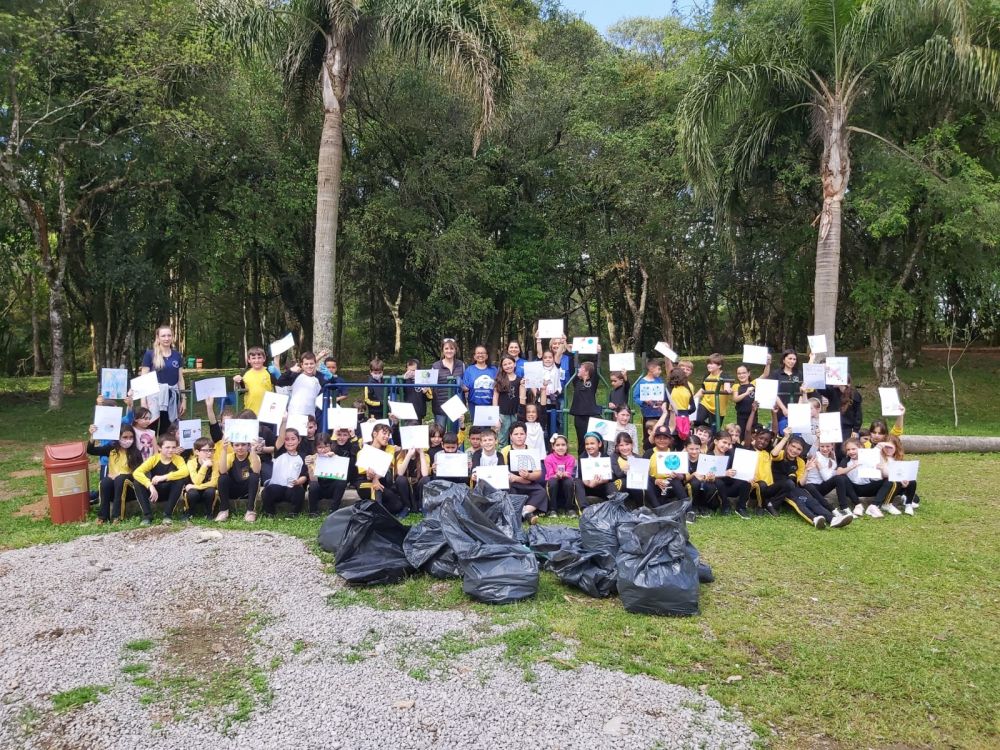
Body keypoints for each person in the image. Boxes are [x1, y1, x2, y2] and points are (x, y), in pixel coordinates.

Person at [86, 424, 143, 524]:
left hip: (130, 489)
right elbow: (91, 450)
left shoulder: (136, 453)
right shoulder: (111, 449)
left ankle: (117, 517)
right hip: (114, 488)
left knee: (121, 479)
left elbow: (138, 475)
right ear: (118, 438)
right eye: (125, 437)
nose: (128, 440)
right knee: (105, 482)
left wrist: (121, 475)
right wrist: (93, 435)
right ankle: (103, 517)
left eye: (131, 437)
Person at [140, 324, 187, 436]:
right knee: (151, 427)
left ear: (172, 337)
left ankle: (166, 451)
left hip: (171, 396)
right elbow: (143, 378)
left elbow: (180, 379)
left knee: (169, 428)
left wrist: (183, 399)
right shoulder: (150, 354)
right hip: (154, 397)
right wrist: (143, 401)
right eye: (163, 336)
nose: (166, 338)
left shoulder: (177, 355)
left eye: (169, 335)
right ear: (158, 338)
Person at [132, 435, 189, 525]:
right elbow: (136, 473)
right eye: (167, 447)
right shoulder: (154, 459)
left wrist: (164, 477)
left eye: (173, 447)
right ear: (159, 448)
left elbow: (185, 471)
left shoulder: (178, 459)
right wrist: (149, 485)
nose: (171, 450)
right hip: (154, 492)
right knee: (137, 482)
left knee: (179, 480)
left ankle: (167, 515)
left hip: (169, 492)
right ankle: (147, 515)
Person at [500, 422, 549, 517]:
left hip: (529, 483)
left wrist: (528, 476)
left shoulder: (531, 450)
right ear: (510, 436)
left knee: (541, 492)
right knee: (508, 493)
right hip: (512, 484)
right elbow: (503, 472)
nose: (519, 437)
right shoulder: (505, 451)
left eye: (522, 434)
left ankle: (524, 511)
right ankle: (525, 513)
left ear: (526, 435)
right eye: (516, 434)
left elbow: (538, 473)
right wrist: (518, 479)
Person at [306, 430, 357, 516]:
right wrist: (310, 466)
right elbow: (313, 480)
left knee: (342, 482)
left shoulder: (335, 455)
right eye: (320, 447)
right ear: (316, 448)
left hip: (332, 489)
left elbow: (343, 475)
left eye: (326, 446)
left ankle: (334, 510)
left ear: (330, 446)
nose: (323, 450)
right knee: (313, 485)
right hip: (319, 489)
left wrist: (335, 459)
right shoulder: (312, 458)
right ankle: (313, 511)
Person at [261, 428, 309, 517]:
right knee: (267, 491)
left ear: (299, 440)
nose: (290, 442)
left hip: (292, 488)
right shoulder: (279, 452)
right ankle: (269, 513)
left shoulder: (303, 456)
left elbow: (305, 475)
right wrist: (284, 420)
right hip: (277, 487)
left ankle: (294, 513)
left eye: (293, 439)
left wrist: (298, 482)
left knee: (300, 491)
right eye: (287, 439)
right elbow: (280, 438)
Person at [872, 433, 919, 515]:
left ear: (896, 447)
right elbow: (884, 473)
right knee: (894, 481)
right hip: (885, 484)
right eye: (886, 447)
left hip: (898, 483)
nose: (888, 449)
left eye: (891, 447)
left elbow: (902, 473)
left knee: (912, 481)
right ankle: (887, 504)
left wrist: (905, 479)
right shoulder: (880, 457)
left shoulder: (897, 459)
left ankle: (908, 504)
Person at [645, 424, 690, 509]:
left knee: (676, 481)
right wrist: (655, 481)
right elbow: (642, 473)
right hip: (655, 486)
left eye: (665, 438)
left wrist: (677, 475)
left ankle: (688, 509)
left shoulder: (675, 454)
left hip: (670, 486)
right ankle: (657, 509)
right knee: (646, 482)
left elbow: (683, 476)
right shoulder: (648, 453)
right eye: (659, 438)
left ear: (670, 440)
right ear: (654, 439)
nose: (662, 440)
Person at [217, 438, 262, 523]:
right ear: (233, 446)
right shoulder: (230, 457)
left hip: (247, 490)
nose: (240, 448)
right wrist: (224, 450)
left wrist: (253, 450)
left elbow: (256, 471)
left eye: (243, 445)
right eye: (237, 445)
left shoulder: (253, 456)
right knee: (223, 477)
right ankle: (224, 510)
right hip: (233, 490)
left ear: (248, 445)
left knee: (254, 476)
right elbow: (222, 471)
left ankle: (250, 511)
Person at [277, 351, 330, 417]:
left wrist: (332, 377)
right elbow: (279, 382)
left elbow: (332, 387)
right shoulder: (295, 376)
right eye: (306, 364)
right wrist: (290, 370)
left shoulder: (318, 378)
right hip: (294, 414)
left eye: (311, 364)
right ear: (302, 365)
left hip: (311, 416)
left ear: (315, 364)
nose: (309, 366)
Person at [430, 338, 466, 428]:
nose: (449, 351)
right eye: (446, 348)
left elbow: (465, 383)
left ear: (455, 350)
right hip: (440, 405)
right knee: (439, 433)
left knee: (454, 435)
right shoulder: (435, 366)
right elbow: (429, 385)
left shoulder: (461, 365)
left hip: (456, 406)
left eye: (451, 348)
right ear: (442, 350)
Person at [232, 346, 277, 416]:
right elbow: (238, 391)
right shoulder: (245, 374)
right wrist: (235, 381)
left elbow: (276, 390)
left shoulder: (269, 372)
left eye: (259, 358)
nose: (256, 361)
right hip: (249, 412)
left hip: (267, 412)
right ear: (249, 360)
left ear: (264, 359)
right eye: (253, 358)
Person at [631, 358, 665, 452]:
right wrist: (645, 401)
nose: (660, 371)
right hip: (648, 415)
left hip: (660, 414)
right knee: (648, 435)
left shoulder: (659, 380)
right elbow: (635, 397)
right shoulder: (641, 382)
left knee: (660, 432)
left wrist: (661, 401)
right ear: (651, 368)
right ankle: (648, 453)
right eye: (659, 369)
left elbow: (663, 394)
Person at [569, 362, 602, 455]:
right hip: (579, 416)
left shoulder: (592, 382)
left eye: (581, 368)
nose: (578, 369)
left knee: (593, 439)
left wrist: (597, 352)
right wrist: (573, 352)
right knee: (582, 440)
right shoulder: (577, 382)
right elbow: (572, 368)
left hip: (591, 416)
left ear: (586, 371)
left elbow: (596, 369)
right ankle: (581, 461)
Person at [575, 432, 613, 510]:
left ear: (599, 444)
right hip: (587, 487)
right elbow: (581, 476)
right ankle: (583, 508)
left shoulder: (605, 457)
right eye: (587, 444)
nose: (589, 446)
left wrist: (599, 482)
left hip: (601, 485)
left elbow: (608, 477)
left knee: (611, 485)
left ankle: (613, 506)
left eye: (592, 443)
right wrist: (590, 484)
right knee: (577, 482)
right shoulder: (582, 457)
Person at [694, 353, 732, 431]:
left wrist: (727, 389)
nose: (709, 365)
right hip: (706, 404)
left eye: (712, 364)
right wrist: (692, 399)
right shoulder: (707, 375)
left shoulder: (724, 375)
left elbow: (726, 384)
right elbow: (702, 389)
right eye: (708, 363)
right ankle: (707, 429)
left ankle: (711, 430)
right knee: (697, 420)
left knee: (715, 431)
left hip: (718, 409)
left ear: (719, 365)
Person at [462, 345, 497, 426]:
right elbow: (466, 387)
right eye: (478, 353)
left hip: (490, 404)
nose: (480, 355)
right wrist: (457, 383)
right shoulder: (469, 369)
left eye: (482, 353)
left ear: (487, 356)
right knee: (477, 430)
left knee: (487, 431)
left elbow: (497, 386)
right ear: (474, 356)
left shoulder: (493, 369)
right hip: (474, 404)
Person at [183, 437, 218, 519]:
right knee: (192, 493)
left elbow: (214, 483)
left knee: (211, 491)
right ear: (197, 452)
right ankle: (190, 512)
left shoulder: (215, 463)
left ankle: (209, 513)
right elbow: (196, 481)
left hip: (207, 491)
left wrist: (194, 486)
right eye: (206, 450)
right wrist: (204, 466)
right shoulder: (191, 463)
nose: (209, 453)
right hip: (194, 492)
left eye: (212, 450)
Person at [544, 434, 577, 516]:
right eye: (557, 445)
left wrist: (565, 474)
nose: (560, 447)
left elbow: (569, 473)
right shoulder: (548, 458)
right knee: (553, 482)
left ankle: (569, 509)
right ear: (553, 447)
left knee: (569, 482)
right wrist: (557, 475)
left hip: (565, 481)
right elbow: (550, 474)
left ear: (567, 446)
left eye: (563, 445)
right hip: (553, 482)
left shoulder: (571, 458)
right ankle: (553, 509)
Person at [609, 433, 644, 509]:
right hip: (619, 486)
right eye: (621, 445)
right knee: (622, 481)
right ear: (617, 447)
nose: (624, 448)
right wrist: (625, 471)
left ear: (632, 445)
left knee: (635, 483)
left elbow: (642, 478)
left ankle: (640, 508)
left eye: (627, 444)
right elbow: (618, 474)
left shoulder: (638, 458)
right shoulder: (614, 456)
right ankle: (616, 509)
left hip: (635, 488)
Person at [773, 349, 805, 434]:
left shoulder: (799, 374)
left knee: (797, 435)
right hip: (781, 411)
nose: (792, 361)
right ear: (783, 359)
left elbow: (802, 391)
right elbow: (773, 393)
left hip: (797, 411)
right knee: (783, 434)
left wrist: (798, 408)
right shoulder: (776, 374)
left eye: (794, 359)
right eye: (790, 358)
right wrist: (783, 409)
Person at [493, 354, 521, 448]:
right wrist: (495, 415)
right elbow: (495, 398)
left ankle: (514, 458)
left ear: (515, 364)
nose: (508, 366)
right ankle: (503, 459)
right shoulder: (499, 380)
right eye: (505, 364)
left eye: (510, 363)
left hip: (515, 413)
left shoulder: (520, 380)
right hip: (503, 414)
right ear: (502, 367)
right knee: (502, 438)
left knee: (516, 437)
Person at [400, 358, 432, 423]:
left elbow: (429, 398)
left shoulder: (423, 381)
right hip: (407, 411)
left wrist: (426, 392)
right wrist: (403, 378)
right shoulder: (403, 380)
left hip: (419, 411)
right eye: (409, 370)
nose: (411, 373)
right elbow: (397, 390)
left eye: (414, 370)